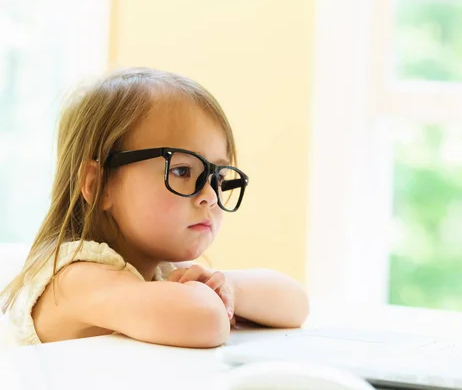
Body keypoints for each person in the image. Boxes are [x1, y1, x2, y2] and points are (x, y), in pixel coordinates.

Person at [0, 67, 309, 347]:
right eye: (182, 171)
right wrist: (216, 298)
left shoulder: (160, 272)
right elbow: (206, 320)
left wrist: (228, 286)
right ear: (98, 185)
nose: (211, 196)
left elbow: (296, 304)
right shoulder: (73, 279)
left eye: (218, 176)